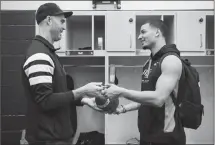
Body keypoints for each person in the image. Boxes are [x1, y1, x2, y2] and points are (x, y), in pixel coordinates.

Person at [21, 3, 103, 145]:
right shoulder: (39, 55)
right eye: (62, 21)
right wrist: (82, 91)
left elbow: (58, 92)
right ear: (49, 20)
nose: (64, 27)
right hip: (47, 140)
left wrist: (84, 100)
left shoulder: (48, 52)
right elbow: (46, 101)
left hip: (56, 138)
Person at [103, 19, 186, 145]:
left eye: (143, 32)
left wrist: (121, 92)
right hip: (147, 135)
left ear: (157, 32)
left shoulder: (171, 60)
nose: (139, 36)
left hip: (167, 138)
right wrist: (123, 108)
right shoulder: (148, 63)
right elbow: (147, 98)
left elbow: (158, 99)